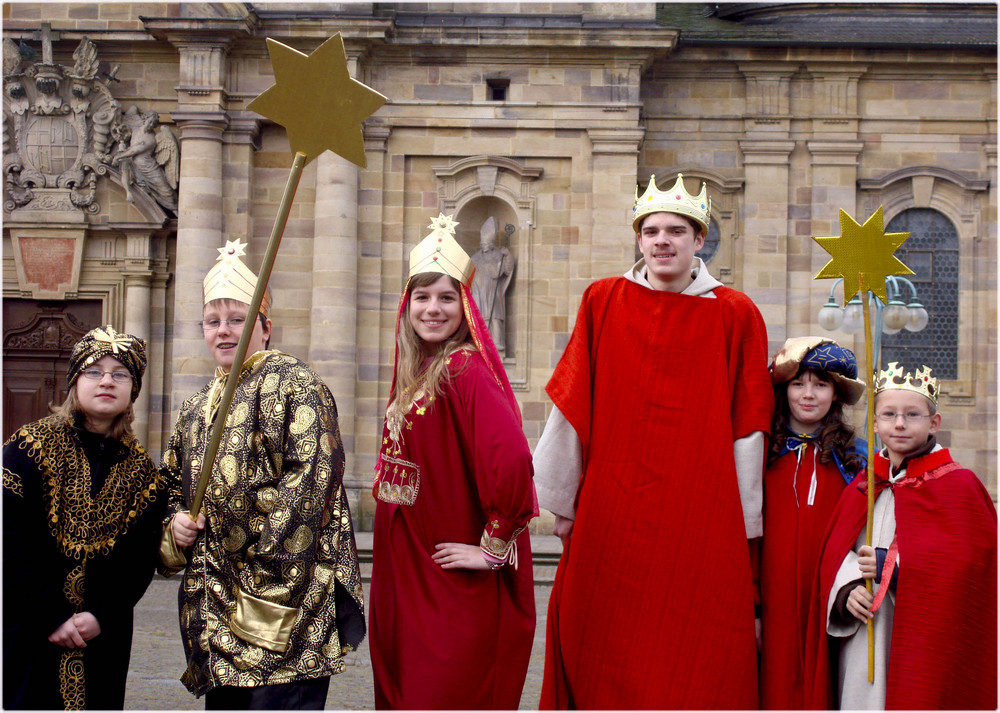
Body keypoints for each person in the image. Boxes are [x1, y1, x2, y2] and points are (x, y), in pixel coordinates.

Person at [535, 174, 774, 708]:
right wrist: (561, 499)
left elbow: (749, 419)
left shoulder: (736, 313)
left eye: (676, 231)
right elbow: (574, 400)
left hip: (702, 507)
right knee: (599, 634)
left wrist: (747, 517)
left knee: (698, 643)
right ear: (639, 240)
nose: (662, 241)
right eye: (651, 231)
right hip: (613, 502)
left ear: (699, 240)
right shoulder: (603, 299)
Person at [159, 239, 365, 709]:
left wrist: (265, 594)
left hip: (283, 617)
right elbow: (171, 487)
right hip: (216, 614)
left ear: (265, 328)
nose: (225, 331)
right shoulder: (194, 410)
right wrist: (175, 528)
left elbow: (308, 490)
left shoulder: (296, 384)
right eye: (214, 322)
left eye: (238, 319)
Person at [369, 213, 537, 710]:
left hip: (448, 584)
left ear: (466, 305)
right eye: (422, 297)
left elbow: (510, 461)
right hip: (407, 574)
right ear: (407, 304)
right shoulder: (419, 371)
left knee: (441, 694)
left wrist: (491, 547)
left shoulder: (464, 370)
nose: (433, 309)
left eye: (446, 297)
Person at [805, 362, 997, 709]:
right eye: (889, 414)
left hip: (927, 640)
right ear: (875, 423)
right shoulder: (863, 485)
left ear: (934, 423)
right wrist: (847, 589)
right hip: (865, 633)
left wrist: (892, 564)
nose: (899, 423)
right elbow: (836, 555)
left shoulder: (959, 485)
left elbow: (971, 566)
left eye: (912, 415)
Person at [3, 325, 164, 710]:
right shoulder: (27, 447)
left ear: (132, 390)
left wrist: (100, 614)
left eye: (119, 373)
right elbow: (10, 539)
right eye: (94, 371)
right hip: (27, 626)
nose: (106, 381)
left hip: (101, 636)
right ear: (75, 383)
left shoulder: (143, 472)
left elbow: (139, 560)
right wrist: (52, 616)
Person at [759, 336, 866, 709]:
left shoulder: (855, 457)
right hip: (769, 594)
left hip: (828, 594)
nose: (808, 394)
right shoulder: (761, 451)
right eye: (798, 383)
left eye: (820, 384)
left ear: (836, 394)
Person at [469, 216, 514, 355]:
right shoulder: (475, 258)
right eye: (482, 243)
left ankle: (497, 344)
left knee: (495, 317)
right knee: (481, 317)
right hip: (478, 292)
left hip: (494, 290)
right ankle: (480, 343)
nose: (484, 245)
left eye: (486, 243)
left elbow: (505, 270)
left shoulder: (498, 255)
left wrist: (507, 257)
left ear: (491, 243)